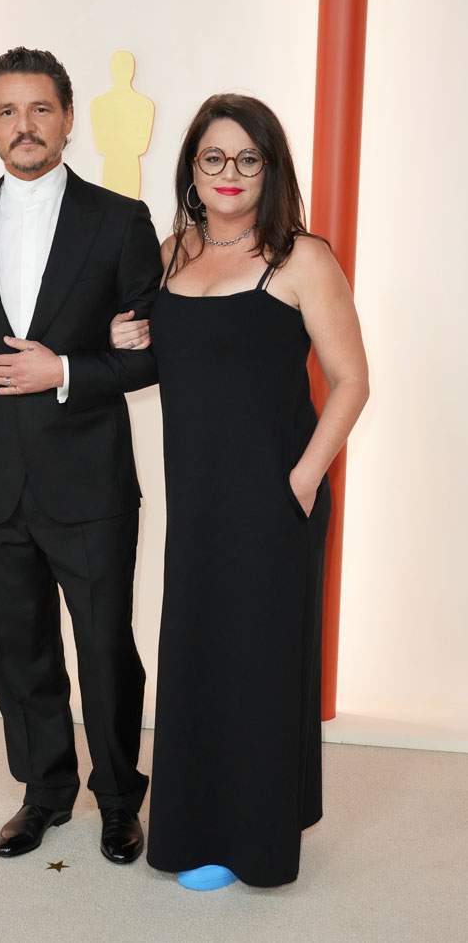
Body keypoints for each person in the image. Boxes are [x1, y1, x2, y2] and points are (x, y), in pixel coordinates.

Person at [0, 47, 162, 865]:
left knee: (105, 651)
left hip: (90, 480)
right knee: (18, 649)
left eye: (41, 109)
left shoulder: (120, 220)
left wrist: (67, 371)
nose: (25, 125)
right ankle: (45, 792)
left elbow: (153, 354)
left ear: (68, 119)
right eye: (8, 111)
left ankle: (118, 800)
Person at [110, 94, 369, 890]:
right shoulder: (170, 253)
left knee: (258, 664)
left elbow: (351, 381)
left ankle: (253, 842)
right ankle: (199, 829)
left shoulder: (303, 259)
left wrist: (301, 480)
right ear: (192, 168)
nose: (230, 172)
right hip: (197, 501)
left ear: (270, 168)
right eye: (214, 157)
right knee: (198, 654)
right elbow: (162, 363)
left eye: (248, 158)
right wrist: (124, 337)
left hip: (273, 499)